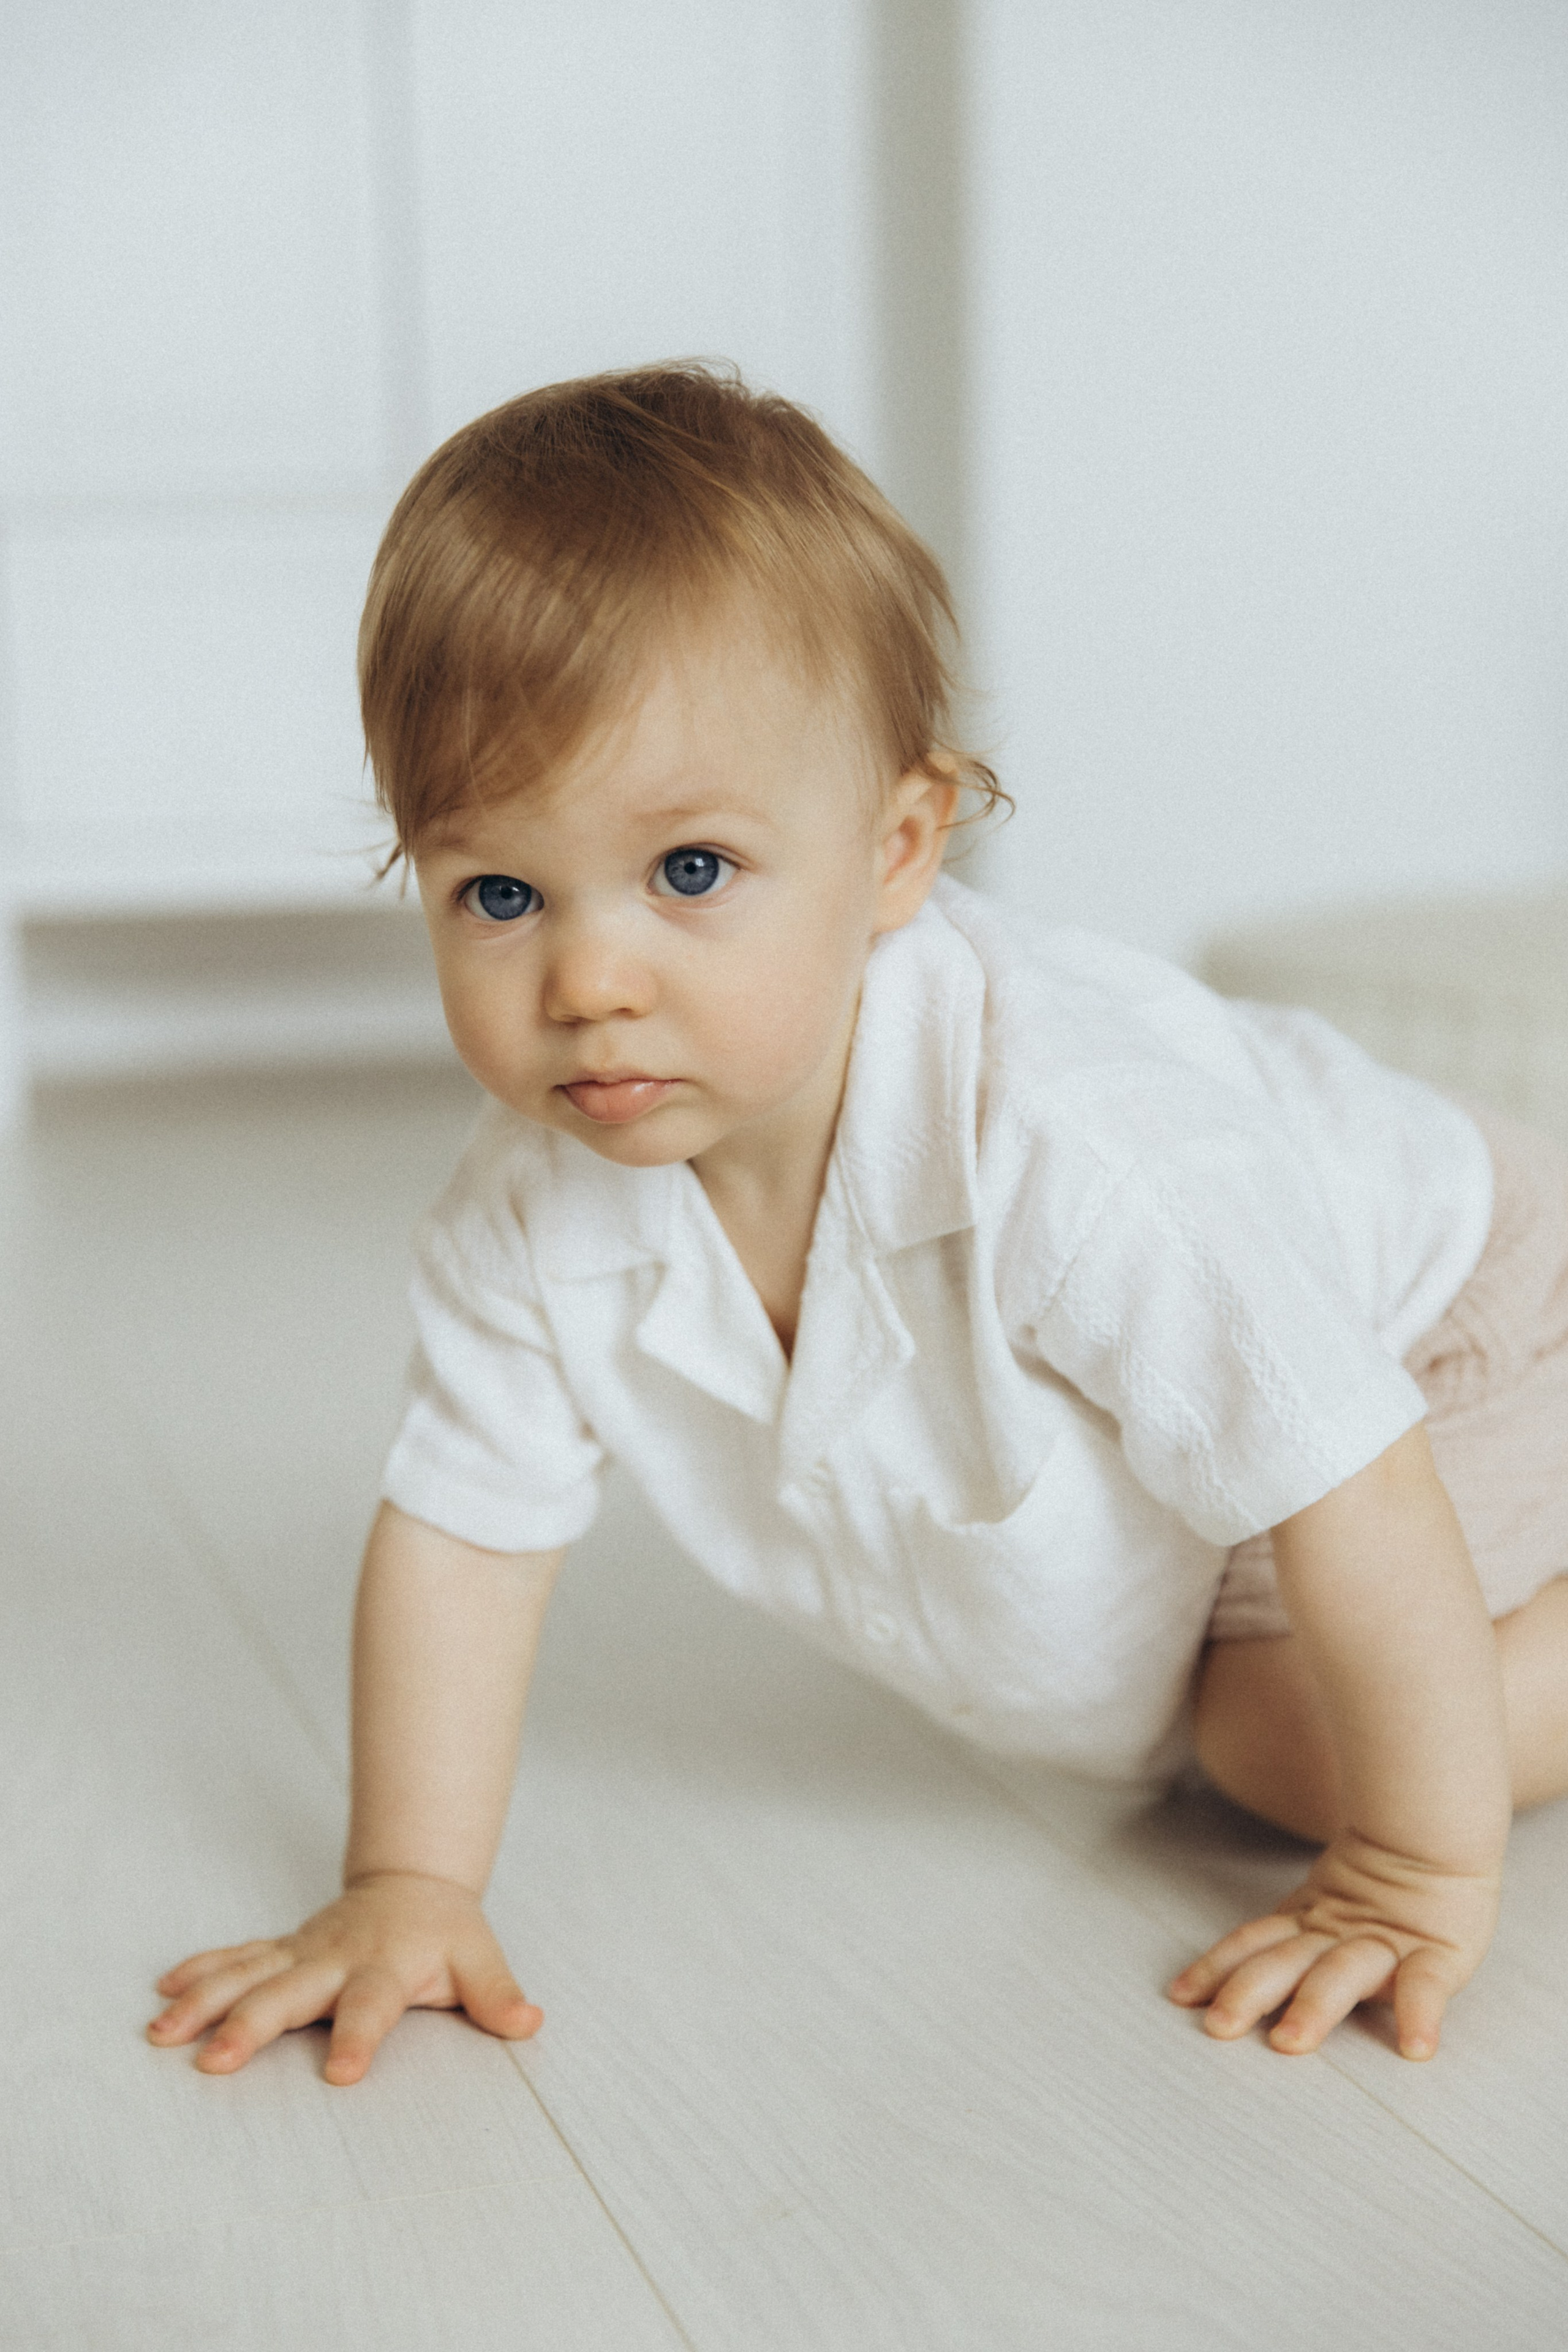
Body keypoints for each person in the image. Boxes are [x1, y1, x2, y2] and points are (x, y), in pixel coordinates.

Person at [149, 364, 1568, 2086]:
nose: (590, 981)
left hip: (1463, 1318)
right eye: (499, 894)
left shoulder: (1076, 1141)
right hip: (1258, 1447)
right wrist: (407, 1884)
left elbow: (1349, 1473)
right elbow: (463, 1537)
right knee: (1244, 1712)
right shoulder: (523, 1215)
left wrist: (1413, 1872)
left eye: (690, 872)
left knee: (1287, 1756)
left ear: (899, 848)